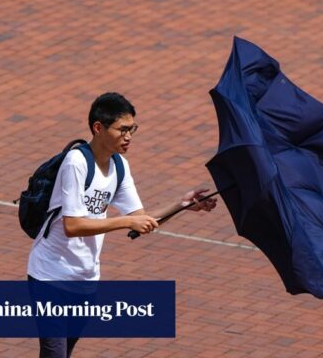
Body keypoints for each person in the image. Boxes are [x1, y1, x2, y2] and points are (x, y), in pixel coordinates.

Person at [27, 92, 217, 357]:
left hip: (85, 279)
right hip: (50, 276)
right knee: (54, 354)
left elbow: (140, 218)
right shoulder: (77, 163)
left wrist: (183, 204)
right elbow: (72, 226)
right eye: (123, 129)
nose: (129, 136)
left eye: (132, 129)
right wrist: (124, 221)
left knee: (64, 353)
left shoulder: (120, 166)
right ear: (98, 128)